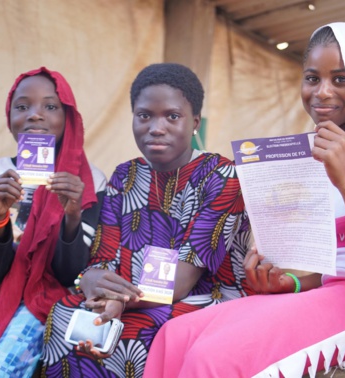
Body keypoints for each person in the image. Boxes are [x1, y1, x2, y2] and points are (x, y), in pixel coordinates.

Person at [144, 22, 345, 377]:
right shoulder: (307, 152)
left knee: (213, 358)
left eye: (340, 79)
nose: (322, 92)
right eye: (312, 78)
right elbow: (329, 266)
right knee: (174, 336)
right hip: (323, 291)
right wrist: (292, 281)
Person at [39, 63, 251, 377]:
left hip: (202, 296)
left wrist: (118, 300)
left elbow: (183, 280)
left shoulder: (222, 175)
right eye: (144, 115)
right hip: (128, 293)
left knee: (139, 330)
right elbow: (103, 256)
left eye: (172, 116)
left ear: (194, 123)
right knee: (65, 312)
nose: (156, 127)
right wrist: (90, 282)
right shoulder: (125, 175)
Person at [0, 67, 107, 377]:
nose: (35, 115)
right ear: (9, 116)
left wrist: (72, 214)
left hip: (50, 301)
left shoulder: (89, 181)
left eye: (51, 106)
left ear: (68, 117)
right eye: (22, 106)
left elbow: (71, 273)